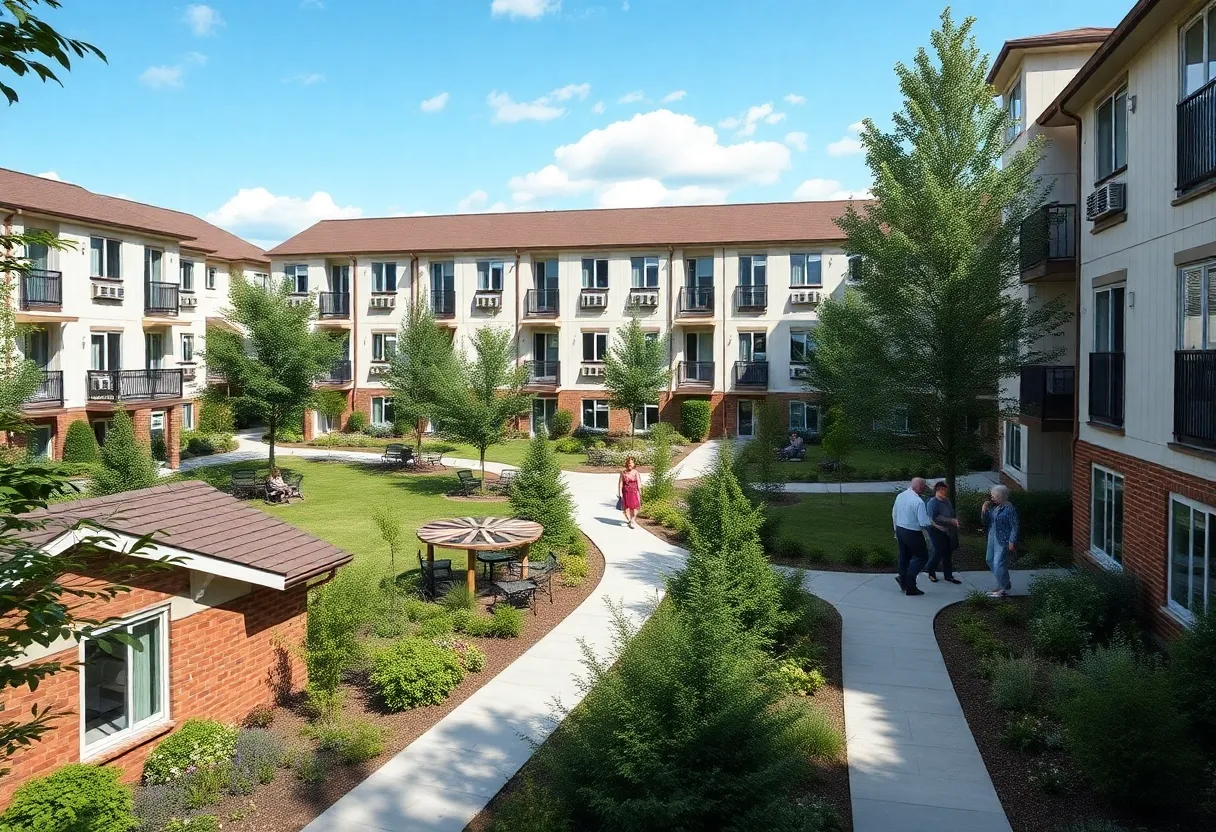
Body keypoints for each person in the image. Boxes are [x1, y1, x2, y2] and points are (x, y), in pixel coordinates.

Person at [891, 477, 931, 596]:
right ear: (919, 487)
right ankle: (910, 585)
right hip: (912, 532)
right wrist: (933, 523)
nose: (925, 489)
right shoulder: (918, 502)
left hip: (900, 529)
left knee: (904, 556)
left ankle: (902, 579)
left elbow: (894, 513)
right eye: (924, 487)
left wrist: (895, 530)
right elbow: (924, 523)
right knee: (921, 557)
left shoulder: (901, 496)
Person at [981, 484, 1019, 598]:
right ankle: (1002, 583)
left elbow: (1015, 526)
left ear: (1000, 496)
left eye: (994, 496)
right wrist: (984, 510)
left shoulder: (1009, 509)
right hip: (992, 537)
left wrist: (1012, 541)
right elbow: (985, 521)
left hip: (1002, 540)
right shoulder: (996, 508)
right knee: (989, 559)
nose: (992, 498)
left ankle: (1004, 588)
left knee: (998, 564)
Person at [925, 481, 962, 584]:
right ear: (937, 490)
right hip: (936, 529)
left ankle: (948, 575)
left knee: (948, 552)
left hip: (947, 530)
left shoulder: (947, 501)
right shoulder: (933, 502)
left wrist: (954, 521)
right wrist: (950, 520)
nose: (944, 492)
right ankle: (930, 569)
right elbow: (934, 517)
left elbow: (950, 513)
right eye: (942, 490)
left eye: (945, 490)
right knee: (939, 550)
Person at [618, 456, 642, 528]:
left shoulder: (635, 472)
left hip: (634, 491)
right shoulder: (623, 472)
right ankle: (629, 519)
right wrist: (619, 493)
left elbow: (638, 482)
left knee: (634, 506)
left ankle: (632, 520)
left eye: (631, 463)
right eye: (628, 463)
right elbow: (620, 483)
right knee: (626, 507)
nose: (629, 464)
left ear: (634, 464)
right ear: (626, 464)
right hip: (625, 491)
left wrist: (640, 492)